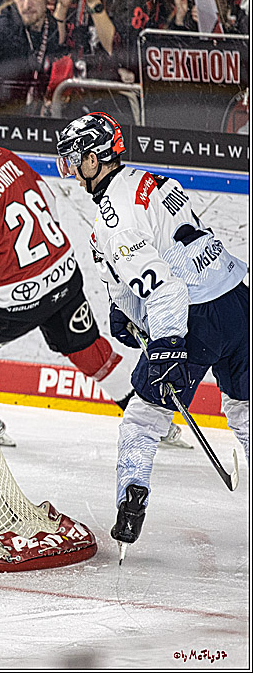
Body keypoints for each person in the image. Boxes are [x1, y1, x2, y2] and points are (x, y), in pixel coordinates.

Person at [55, 112, 249, 554]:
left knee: (144, 419)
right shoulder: (151, 180)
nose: (69, 168)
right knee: (244, 411)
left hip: (194, 320)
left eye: (75, 158)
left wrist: (164, 345)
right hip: (239, 300)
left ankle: (131, 501)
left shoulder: (112, 221)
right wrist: (123, 305)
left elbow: (166, 286)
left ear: (96, 158)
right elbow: (161, 258)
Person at [0, 97, 140, 448]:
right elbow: (48, 200)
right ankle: (145, 415)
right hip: (65, 272)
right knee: (88, 350)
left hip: (17, 300)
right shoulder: (0, 154)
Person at [0, 0, 71, 116]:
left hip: (29, 115)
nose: (26, 5)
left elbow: (56, 44)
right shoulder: (3, 29)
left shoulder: (48, 24)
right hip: (0, 117)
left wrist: (63, 6)